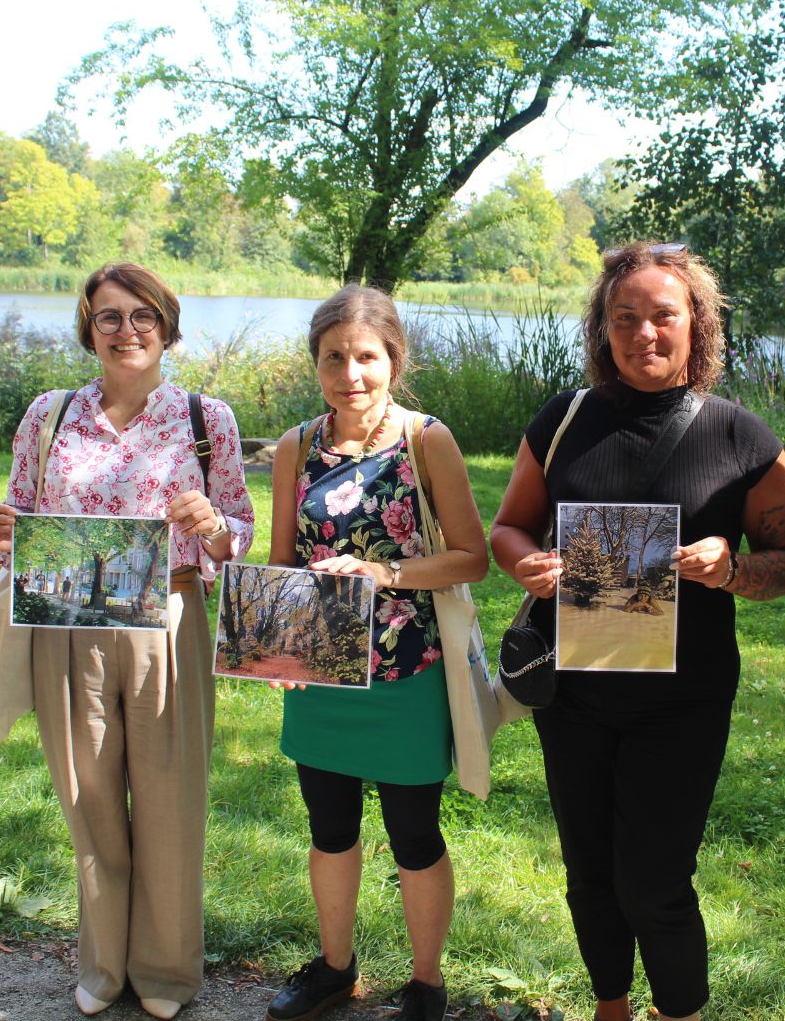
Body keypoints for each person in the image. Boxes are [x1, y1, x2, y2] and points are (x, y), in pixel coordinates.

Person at [489, 241, 785, 1021]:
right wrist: (529, 565)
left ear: (695, 324)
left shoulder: (741, 438)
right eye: (623, 318)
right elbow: (508, 529)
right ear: (602, 327)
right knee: (588, 874)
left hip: (682, 702)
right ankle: (612, 1004)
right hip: (574, 693)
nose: (643, 335)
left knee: (655, 883)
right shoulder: (564, 420)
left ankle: (679, 1012)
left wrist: (732, 567)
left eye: (663, 316)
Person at [0, 263, 254, 1020]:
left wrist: (214, 527)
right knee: (90, 799)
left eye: (143, 316)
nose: (127, 330)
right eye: (109, 317)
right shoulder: (48, 416)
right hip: (67, 627)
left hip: (170, 623)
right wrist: (7, 532)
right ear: (88, 329)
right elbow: (18, 521)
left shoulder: (208, 420)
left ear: (167, 327)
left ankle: (167, 971)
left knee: (172, 802)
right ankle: (104, 963)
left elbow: (236, 532)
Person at [265, 285, 487, 1021]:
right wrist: (276, 650)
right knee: (329, 830)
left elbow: (471, 558)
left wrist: (384, 572)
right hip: (322, 674)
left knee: (414, 834)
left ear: (393, 359)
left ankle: (426, 983)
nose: (349, 373)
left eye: (366, 357)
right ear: (316, 363)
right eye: (334, 358)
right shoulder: (298, 444)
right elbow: (283, 564)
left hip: (407, 670)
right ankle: (335, 969)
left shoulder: (427, 440)